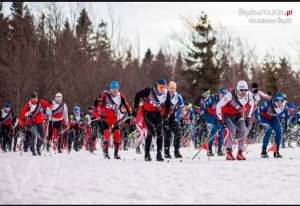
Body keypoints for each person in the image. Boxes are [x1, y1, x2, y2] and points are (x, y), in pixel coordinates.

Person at [132, 78, 171, 161]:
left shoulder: (166, 93)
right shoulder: (149, 91)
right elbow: (137, 95)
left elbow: (168, 105)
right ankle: (147, 154)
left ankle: (159, 154)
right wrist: (135, 109)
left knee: (160, 132)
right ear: (157, 86)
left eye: (164, 87)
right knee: (151, 131)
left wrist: (166, 116)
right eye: (160, 87)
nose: (162, 89)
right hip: (147, 113)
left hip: (157, 113)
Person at [216, 80, 254, 160]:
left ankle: (240, 153)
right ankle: (229, 152)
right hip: (227, 115)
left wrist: (248, 117)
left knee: (244, 130)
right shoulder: (230, 95)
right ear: (237, 89)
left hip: (238, 114)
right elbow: (218, 106)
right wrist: (220, 119)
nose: (244, 92)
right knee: (232, 130)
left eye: (245, 90)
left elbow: (252, 105)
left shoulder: (249, 95)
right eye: (241, 90)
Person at [97, 80, 132, 159]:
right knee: (106, 134)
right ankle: (105, 152)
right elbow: (99, 105)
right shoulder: (105, 95)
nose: (115, 90)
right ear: (110, 89)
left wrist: (130, 112)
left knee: (117, 135)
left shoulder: (121, 96)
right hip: (105, 118)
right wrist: (100, 113)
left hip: (115, 118)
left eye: (116, 88)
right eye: (113, 89)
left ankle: (116, 154)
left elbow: (126, 105)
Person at [254, 93, 288, 158]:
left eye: (281, 102)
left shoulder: (284, 106)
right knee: (269, 130)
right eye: (277, 102)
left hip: (273, 118)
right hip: (263, 118)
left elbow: (287, 116)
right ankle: (263, 151)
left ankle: (276, 151)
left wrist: (286, 125)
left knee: (279, 131)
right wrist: (259, 122)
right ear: (274, 101)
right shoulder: (267, 103)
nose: (279, 104)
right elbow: (256, 112)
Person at [162, 81, 185, 159]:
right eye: (171, 88)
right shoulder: (163, 94)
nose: (173, 90)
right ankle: (166, 152)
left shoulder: (177, 96)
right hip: (163, 116)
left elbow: (182, 107)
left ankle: (176, 151)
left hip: (171, 116)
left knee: (178, 132)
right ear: (167, 87)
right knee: (168, 132)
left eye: (174, 88)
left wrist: (182, 117)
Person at [202, 88, 227, 156]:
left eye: (225, 96)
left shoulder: (225, 101)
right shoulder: (212, 98)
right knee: (214, 130)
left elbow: (225, 111)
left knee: (221, 130)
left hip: (217, 116)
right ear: (219, 94)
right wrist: (201, 117)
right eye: (222, 95)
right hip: (209, 115)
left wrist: (225, 120)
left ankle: (219, 149)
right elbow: (204, 106)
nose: (224, 97)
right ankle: (209, 149)